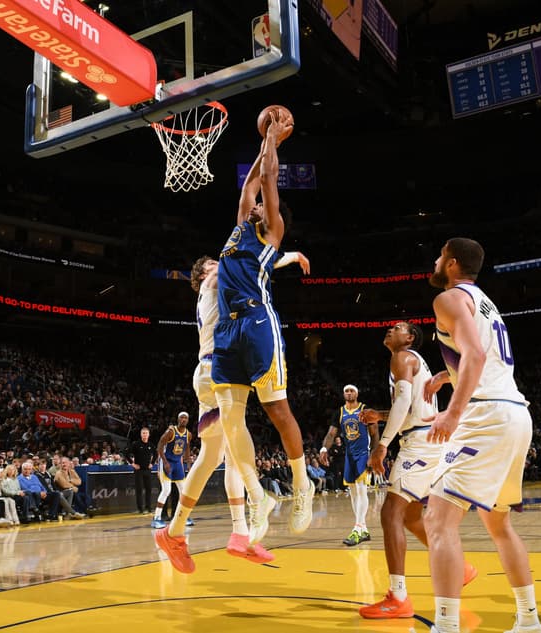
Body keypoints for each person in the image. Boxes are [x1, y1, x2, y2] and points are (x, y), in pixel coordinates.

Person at [155, 249, 307, 572]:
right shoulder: (213, 278)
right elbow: (248, 263)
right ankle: (255, 501)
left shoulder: (215, 291)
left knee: (215, 456)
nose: (220, 264)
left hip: (209, 370)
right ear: (202, 274)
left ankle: (217, 532)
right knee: (235, 441)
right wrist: (289, 256)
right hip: (215, 369)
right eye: (213, 262)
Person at [422, 238, 541, 633]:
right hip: (514, 412)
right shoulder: (484, 300)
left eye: (440, 255)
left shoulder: (448, 299)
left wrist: (452, 414)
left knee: (438, 521)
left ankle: (445, 627)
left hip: (486, 415)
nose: (436, 261)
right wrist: (448, 375)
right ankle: (528, 620)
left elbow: (474, 354)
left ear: (452, 263)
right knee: (498, 524)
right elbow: (482, 353)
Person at [211, 109, 313, 538]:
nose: (253, 204)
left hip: (257, 321)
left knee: (276, 410)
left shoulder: (271, 230)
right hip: (227, 332)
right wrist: (263, 145)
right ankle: (259, 496)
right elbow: (253, 181)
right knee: (229, 419)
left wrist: (273, 140)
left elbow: (268, 182)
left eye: (259, 205)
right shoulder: (238, 227)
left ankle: (302, 486)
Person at [357, 322, 477, 618]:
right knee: (410, 516)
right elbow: (410, 408)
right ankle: (459, 568)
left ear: (409, 338)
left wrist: (382, 443)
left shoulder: (402, 357)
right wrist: (381, 415)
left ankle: (398, 598)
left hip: (420, 444)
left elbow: (402, 403)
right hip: (427, 438)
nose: (389, 330)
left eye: (397, 328)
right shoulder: (413, 361)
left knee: (390, 514)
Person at [320, 385, 377, 546]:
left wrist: (373, 454)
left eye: (352, 391)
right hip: (349, 455)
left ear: (357, 393)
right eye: (346, 391)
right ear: (344, 394)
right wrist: (324, 448)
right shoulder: (339, 412)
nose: (349, 393)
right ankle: (363, 529)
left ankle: (357, 528)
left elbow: (374, 434)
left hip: (363, 454)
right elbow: (331, 434)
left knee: (361, 489)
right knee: (352, 491)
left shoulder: (365, 410)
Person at [151, 412, 193, 529]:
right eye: (182, 418)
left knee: (184, 491)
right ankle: (156, 518)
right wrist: (164, 462)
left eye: (186, 418)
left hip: (177, 463)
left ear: (188, 420)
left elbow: (187, 449)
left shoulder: (188, 434)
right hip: (167, 461)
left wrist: (188, 464)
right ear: (178, 419)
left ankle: (183, 517)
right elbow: (159, 446)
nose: (184, 420)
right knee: (166, 490)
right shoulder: (171, 432)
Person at [130, 427, 156, 515]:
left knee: (148, 489)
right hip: (139, 470)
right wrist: (132, 464)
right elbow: (126, 453)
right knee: (139, 490)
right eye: (143, 433)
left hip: (148, 470)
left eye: (146, 433)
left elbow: (156, 454)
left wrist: (152, 463)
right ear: (141, 434)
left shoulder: (151, 445)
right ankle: (140, 509)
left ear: (149, 434)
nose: (145, 435)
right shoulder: (136, 444)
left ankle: (148, 508)